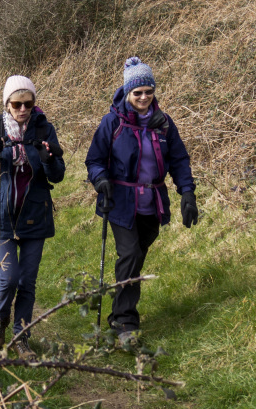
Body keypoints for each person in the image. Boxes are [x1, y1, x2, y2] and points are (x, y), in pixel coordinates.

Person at [85, 57, 198, 345]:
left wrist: (187, 193)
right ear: (127, 93)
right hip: (120, 201)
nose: (144, 97)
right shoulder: (113, 122)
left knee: (135, 258)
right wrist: (100, 181)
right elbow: (95, 159)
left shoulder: (164, 123)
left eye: (148, 91)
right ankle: (125, 323)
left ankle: (118, 316)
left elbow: (180, 160)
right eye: (138, 93)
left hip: (153, 202)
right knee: (131, 254)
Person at [0, 75, 66, 360]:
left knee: (27, 282)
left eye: (28, 103)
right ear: (7, 103)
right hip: (2, 216)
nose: (23, 109)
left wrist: (49, 160)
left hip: (36, 215)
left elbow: (58, 174)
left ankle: (21, 338)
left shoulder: (45, 129)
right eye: (17, 104)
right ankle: (0, 320)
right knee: (8, 279)